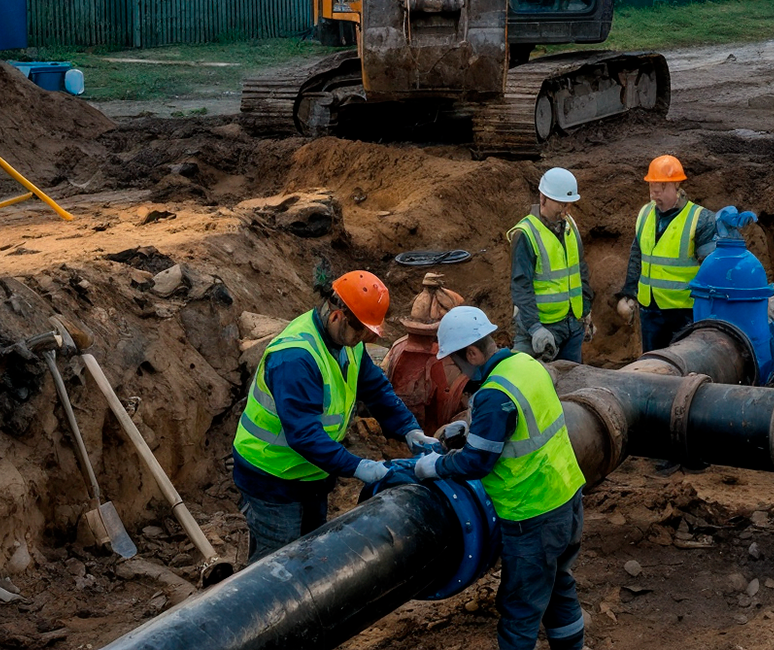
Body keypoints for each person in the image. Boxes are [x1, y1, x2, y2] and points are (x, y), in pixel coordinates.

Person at [232, 271, 435, 562]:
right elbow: (304, 435)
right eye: (361, 331)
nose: (364, 339)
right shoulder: (296, 357)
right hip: (273, 477)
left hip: (313, 473)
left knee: (311, 555)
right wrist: (358, 466)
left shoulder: (348, 344)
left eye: (369, 333)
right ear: (338, 316)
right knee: (275, 568)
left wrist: (409, 429)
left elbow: (375, 388)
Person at [417, 306, 587, 650]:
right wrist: (471, 428)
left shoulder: (494, 395)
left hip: (532, 515)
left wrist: (435, 466)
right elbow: (522, 425)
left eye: (458, 362)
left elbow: (476, 463)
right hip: (566, 497)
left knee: (519, 610)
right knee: (557, 587)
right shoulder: (525, 365)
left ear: (474, 353)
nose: (458, 371)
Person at [614, 154, 716, 354]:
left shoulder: (700, 219)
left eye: (661, 187)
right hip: (650, 309)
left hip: (684, 311)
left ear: (677, 186)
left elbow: (710, 268)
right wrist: (629, 291)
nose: (655, 194)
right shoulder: (645, 214)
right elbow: (637, 254)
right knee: (654, 364)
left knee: (683, 362)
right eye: (652, 187)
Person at [507, 167, 591, 363]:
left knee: (572, 383)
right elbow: (521, 287)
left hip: (572, 325)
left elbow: (580, 270)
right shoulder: (526, 234)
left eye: (569, 204)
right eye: (560, 203)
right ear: (543, 198)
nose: (565, 209)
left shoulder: (570, 226)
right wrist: (535, 328)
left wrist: (585, 310)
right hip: (541, 328)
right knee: (527, 382)